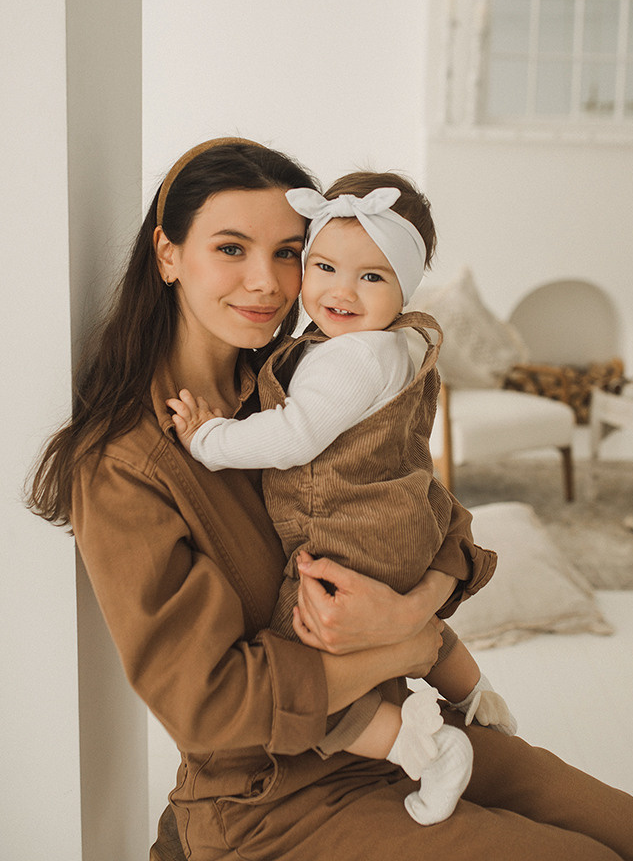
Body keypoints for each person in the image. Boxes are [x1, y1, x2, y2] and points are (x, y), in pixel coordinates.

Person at [27, 137, 633, 861]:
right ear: (168, 254)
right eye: (231, 249)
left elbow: (435, 517)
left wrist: (410, 607)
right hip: (272, 794)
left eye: (287, 253)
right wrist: (408, 643)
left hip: (408, 730)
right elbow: (208, 701)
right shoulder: (125, 465)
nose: (265, 283)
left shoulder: (314, 382)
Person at [165, 173, 516, 825]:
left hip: (341, 530)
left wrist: (209, 439)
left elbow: (294, 435)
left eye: (371, 278)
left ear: (403, 285)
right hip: (405, 522)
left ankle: (427, 748)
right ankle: (476, 698)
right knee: (414, 627)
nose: (340, 292)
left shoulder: (346, 360)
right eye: (323, 266)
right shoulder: (403, 345)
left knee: (297, 677)